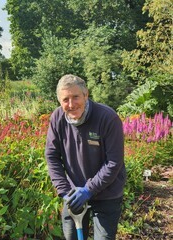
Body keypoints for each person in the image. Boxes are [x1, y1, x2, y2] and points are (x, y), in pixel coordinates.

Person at [45, 74, 126, 240]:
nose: (71, 104)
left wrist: (89, 189)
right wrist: (65, 192)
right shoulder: (57, 118)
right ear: (59, 101)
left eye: (76, 97)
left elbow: (113, 162)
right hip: (74, 194)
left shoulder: (107, 118)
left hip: (107, 194)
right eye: (65, 99)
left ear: (86, 95)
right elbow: (52, 156)